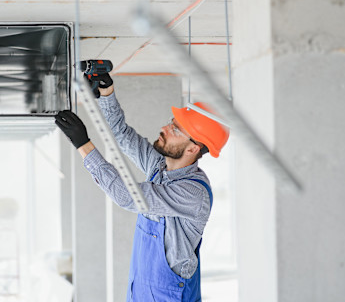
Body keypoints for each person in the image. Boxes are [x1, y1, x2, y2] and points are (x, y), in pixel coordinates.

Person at [55, 72, 229, 302]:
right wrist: (107, 92)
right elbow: (122, 135)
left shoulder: (193, 194)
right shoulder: (160, 167)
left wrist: (83, 145)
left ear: (192, 149)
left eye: (176, 129)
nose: (165, 128)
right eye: (171, 122)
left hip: (169, 295)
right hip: (142, 288)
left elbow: (129, 196)